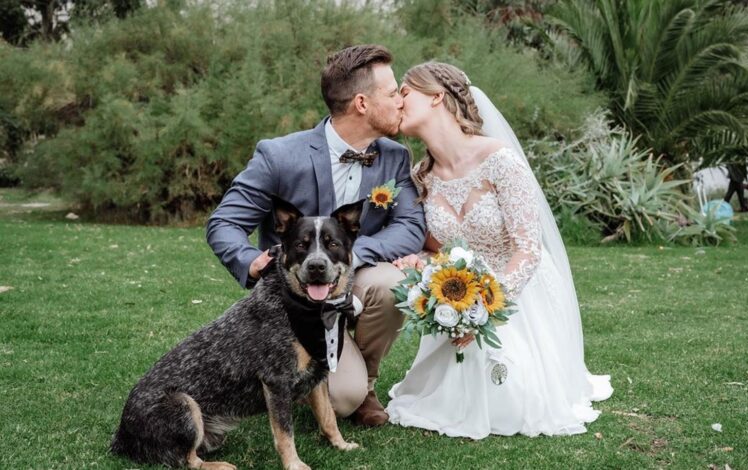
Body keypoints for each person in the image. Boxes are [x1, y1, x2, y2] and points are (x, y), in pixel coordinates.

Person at [386, 62, 613, 439]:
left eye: (405, 92)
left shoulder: (501, 161)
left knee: (515, 396)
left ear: (437, 97)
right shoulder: (420, 178)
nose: (397, 102)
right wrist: (421, 262)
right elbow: (439, 249)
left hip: (516, 292)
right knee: (437, 397)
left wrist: (484, 310)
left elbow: (528, 249)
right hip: (455, 294)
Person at [206, 45, 426, 426]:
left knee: (392, 283)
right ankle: (335, 374)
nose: (400, 102)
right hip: (297, 300)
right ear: (361, 102)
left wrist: (353, 256)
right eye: (392, 94)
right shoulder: (279, 156)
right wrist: (250, 261)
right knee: (342, 400)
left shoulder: (394, 156)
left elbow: (410, 226)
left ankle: (367, 382)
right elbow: (223, 223)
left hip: (356, 281)